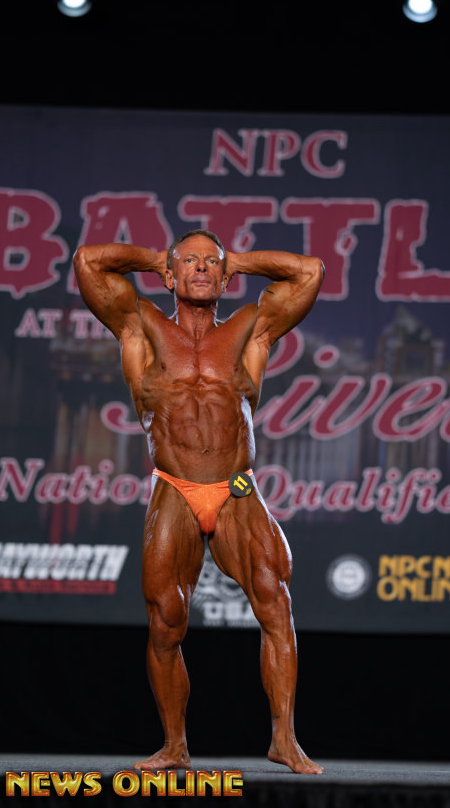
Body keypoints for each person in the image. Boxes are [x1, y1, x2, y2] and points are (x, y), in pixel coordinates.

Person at [73, 230, 325, 774]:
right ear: (171, 274)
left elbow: (310, 271)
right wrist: (155, 258)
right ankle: (174, 745)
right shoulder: (140, 325)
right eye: (190, 261)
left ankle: (284, 739)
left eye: (211, 262)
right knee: (166, 621)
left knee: (275, 602)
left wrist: (238, 260)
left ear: (225, 276)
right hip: (175, 485)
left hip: (237, 487)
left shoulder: (248, 329)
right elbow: (88, 261)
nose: (202, 269)